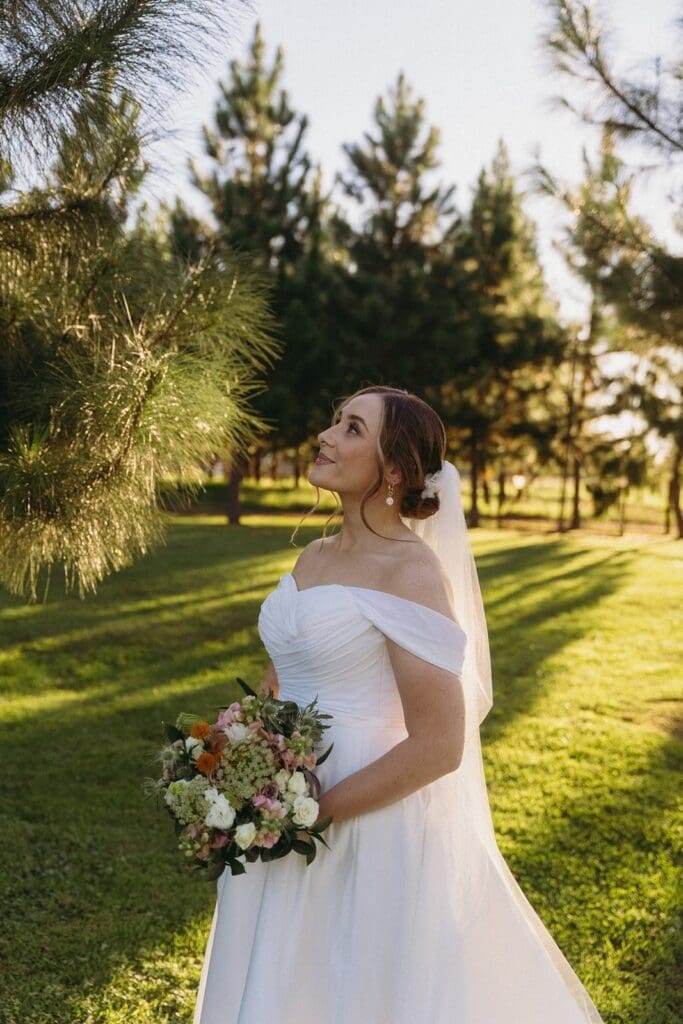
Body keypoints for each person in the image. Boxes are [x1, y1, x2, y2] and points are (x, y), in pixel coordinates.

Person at [193, 384, 604, 1023]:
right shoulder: (313, 554)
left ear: (392, 471)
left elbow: (440, 745)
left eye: (351, 428)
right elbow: (285, 672)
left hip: (361, 815)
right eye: (333, 421)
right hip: (277, 801)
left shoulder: (412, 573)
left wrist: (310, 813)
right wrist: (226, 756)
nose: (326, 436)